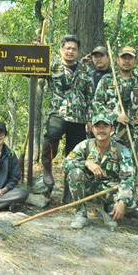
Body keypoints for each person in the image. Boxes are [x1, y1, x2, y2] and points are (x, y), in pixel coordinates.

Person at [41, 34, 93, 200]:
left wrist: (91, 119)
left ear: (78, 52)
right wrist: (34, 52)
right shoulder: (52, 66)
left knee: (74, 154)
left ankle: (69, 193)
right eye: (67, 48)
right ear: (61, 50)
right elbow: (28, 71)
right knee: (49, 142)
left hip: (79, 118)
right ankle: (47, 172)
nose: (70, 51)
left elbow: (90, 96)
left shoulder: (85, 70)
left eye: (74, 49)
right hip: (58, 113)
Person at [64, 114, 135, 231]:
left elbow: (128, 178)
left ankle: (107, 210)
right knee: (74, 173)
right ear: (92, 129)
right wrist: (87, 163)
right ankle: (81, 213)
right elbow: (66, 164)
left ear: (112, 129)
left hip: (110, 190)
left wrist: (122, 201)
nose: (101, 130)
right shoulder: (85, 145)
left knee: (130, 204)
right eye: (97, 126)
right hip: (89, 188)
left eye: (105, 126)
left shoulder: (122, 150)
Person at [93, 46, 138, 161]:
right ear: (117, 60)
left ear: (135, 61)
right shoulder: (107, 80)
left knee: (131, 163)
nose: (126, 61)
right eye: (123, 58)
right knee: (109, 162)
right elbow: (97, 104)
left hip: (132, 131)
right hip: (109, 130)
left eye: (130, 58)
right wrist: (115, 116)